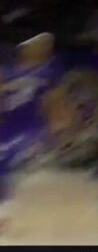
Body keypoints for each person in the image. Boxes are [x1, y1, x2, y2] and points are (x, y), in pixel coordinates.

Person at [0, 33, 69, 236]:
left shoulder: (50, 71)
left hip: (30, 126)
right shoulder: (7, 71)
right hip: (8, 126)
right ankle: (4, 215)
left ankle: (3, 216)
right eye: (40, 43)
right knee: (3, 169)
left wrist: (58, 124)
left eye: (48, 44)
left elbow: (56, 100)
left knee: (3, 166)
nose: (46, 47)